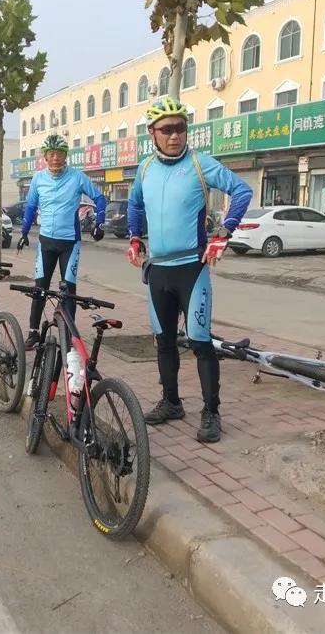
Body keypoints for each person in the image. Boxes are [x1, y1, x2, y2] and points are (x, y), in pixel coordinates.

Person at [126, 98, 252, 443]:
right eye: (167, 129)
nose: (175, 136)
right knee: (164, 342)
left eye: (181, 128)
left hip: (191, 270)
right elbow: (135, 204)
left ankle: (211, 412)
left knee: (200, 343)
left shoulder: (201, 164)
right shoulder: (146, 168)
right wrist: (135, 237)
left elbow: (242, 190)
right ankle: (171, 402)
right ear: (152, 133)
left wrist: (224, 231)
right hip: (158, 271)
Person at [18, 133, 107, 350]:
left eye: (60, 153)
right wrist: (24, 232)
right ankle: (33, 333)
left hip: (70, 243)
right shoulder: (38, 178)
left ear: (66, 156)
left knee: (68, 290)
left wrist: (100, 223)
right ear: (45, 157)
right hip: (46, 242)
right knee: (40, 288)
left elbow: (100, 197)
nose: (56, 157)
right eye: (51, 154)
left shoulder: (77, 177)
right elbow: (30, 207)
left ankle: (69, 336)